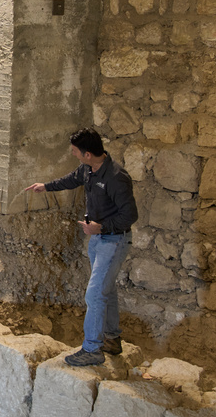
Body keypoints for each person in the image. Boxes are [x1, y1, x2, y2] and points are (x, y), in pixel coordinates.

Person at [24, 128, 138, 366]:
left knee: (95, 294)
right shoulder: (88, 169)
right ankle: (112, 339)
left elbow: (130, 215)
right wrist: (45, 186)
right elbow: (71, 179)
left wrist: (101, 227)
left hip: (114, 240)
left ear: (88, 154)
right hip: (97, 240)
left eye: (75, 151)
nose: (73, 153)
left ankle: (92, 350)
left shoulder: (116, 177)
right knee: (106, 290)